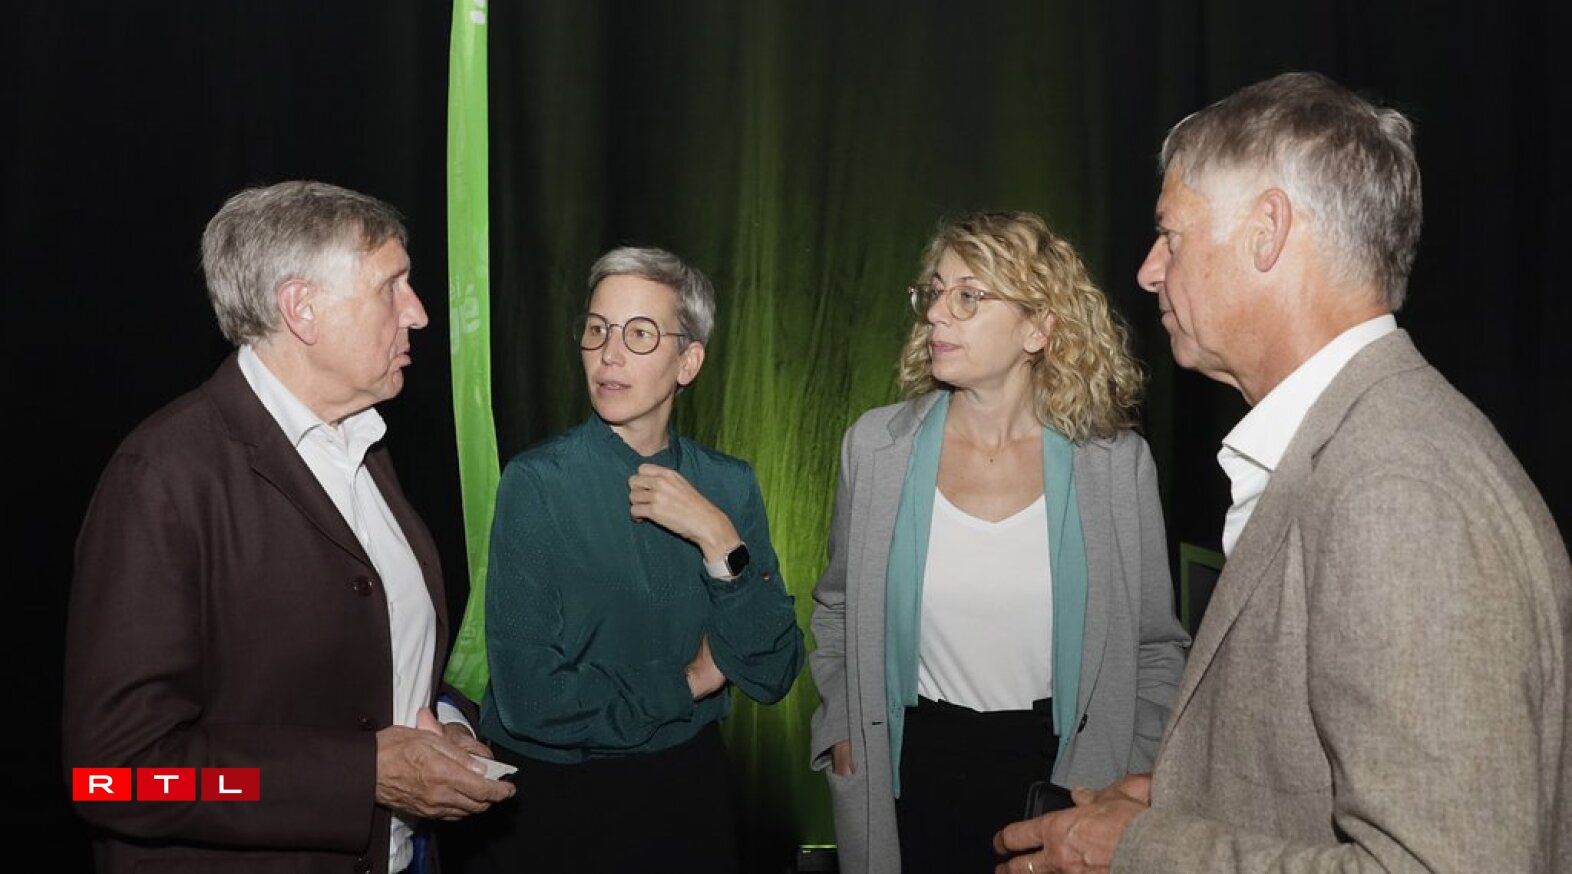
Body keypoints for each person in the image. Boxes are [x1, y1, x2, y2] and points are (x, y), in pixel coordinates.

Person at [993, 72, 1572, 873]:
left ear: (1267, 231)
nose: (1150, 270)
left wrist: (1140, 850)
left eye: (1172, 236)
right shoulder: (1363, 442)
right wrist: (1191, 796)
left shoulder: (1397, 492)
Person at [63, 181, 514, 874]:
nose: (419, 313)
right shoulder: (163, 477)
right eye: (391, 287)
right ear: (301, 308)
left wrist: (445, 726)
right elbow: (117, 778)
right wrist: (359, 776)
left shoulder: (364, 445)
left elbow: (371, 665)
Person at [809, 211, 1190, 874]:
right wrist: (840, 729)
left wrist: (1131, 769)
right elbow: (837, 608)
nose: (937, 314)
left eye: (968, 296)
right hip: (910, 764)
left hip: (1066, 772)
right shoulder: (875, 448)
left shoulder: (1115, 465)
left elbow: (1155, 646)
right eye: (935, 292)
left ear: (1038, 327)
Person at [474, 247, 805, 872]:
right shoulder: (537, 481)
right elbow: (530, 701)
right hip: (557, 805)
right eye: (597, 329)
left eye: (640, 334)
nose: (609, 354)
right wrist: (691, 682)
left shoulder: (728, 485)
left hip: (687, 795)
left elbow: (774, 668)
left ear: (689, 362)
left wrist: (717, 537)